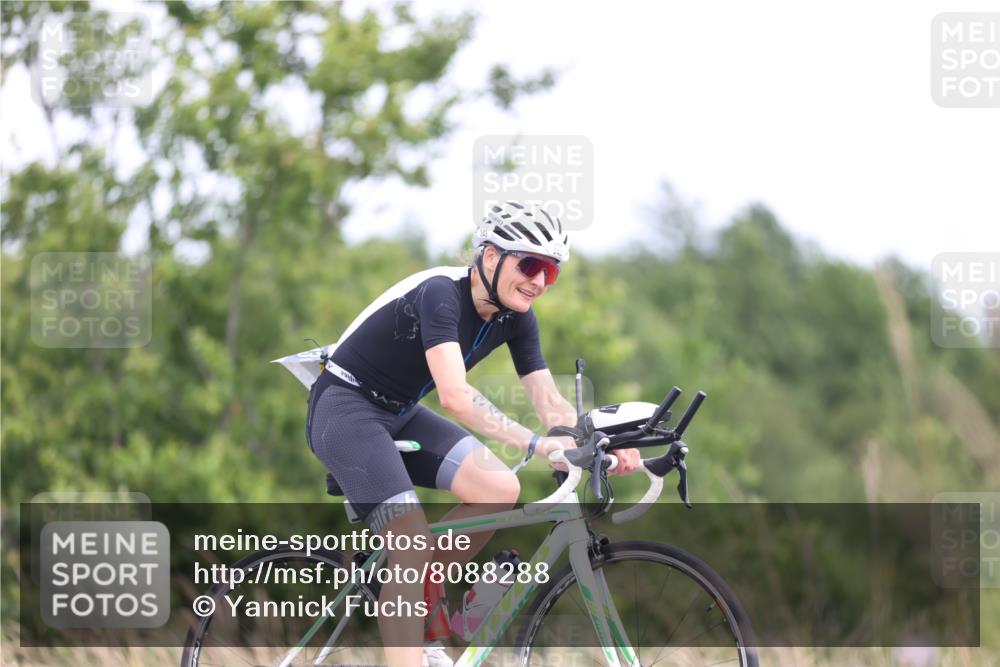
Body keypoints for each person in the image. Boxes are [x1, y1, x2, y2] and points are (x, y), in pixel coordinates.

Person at [304, 201, 641, 666]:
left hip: (398, 412)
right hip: (345, 411)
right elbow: (455, 396)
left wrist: (604, 442)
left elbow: (548, 402)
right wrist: (536, 444)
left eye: (551, 272)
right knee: (412, 545)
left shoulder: (515, 317)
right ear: (489, 257)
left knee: (500, 486)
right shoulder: (441, 293)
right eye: (530, 264)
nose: (540, 281)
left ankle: (416, 605)